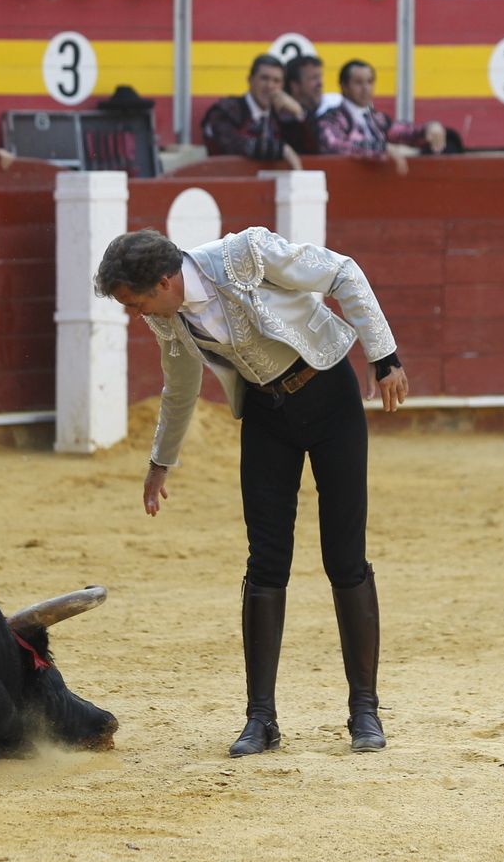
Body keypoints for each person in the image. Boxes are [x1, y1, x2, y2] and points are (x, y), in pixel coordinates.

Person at [94, 225, 406, 757]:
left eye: (137, 300)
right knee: (265, 561)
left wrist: (385, 357)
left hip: (329, 396)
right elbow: (180, 385)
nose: (136, 312)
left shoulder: (247, 252)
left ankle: (364, 711)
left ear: (167, 281)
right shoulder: (166, 315)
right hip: (266, 415)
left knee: (344, 557)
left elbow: (341, 272)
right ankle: (261, 719)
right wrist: (160, 461)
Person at [316, 58, 446, 176]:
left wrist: (430, 129)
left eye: (370, 82)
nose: (366, 88)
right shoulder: (331, 119)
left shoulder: (376, 119)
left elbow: (404, 133)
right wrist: (381, 148)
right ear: (344, 86)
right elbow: (334, 145)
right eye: (358, 82)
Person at [199, 53, 305, 167]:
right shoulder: (226, 110)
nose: (270, 86)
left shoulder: (282, 114)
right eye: (264, 78)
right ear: (250, 80)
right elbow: (231, 145)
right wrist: (281, 150)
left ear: (282, 86)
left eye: (276, 81)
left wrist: (299, 114)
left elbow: (310, 149)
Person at [281, 52, 333, 154]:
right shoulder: (282, 119)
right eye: (314, 78)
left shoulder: (331, 113)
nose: (320, 84)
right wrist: (300, 115)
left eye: (320, 77)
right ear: (295, 86)